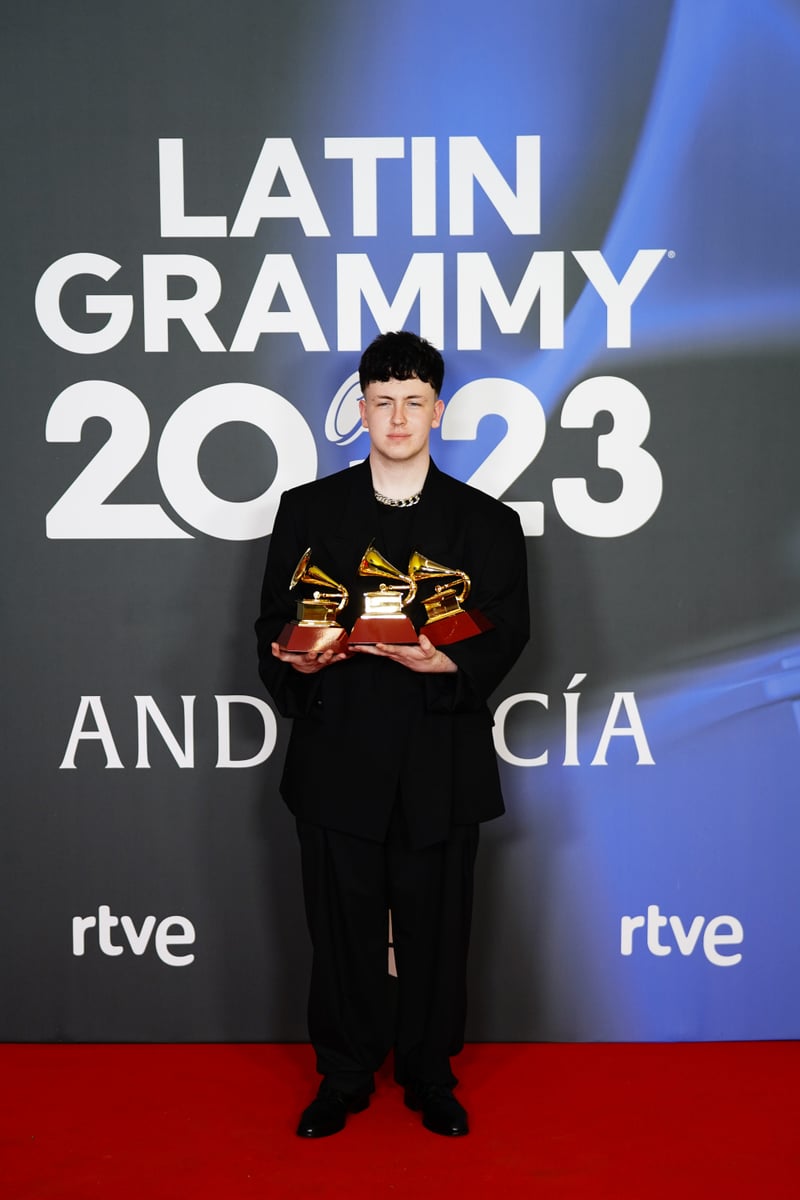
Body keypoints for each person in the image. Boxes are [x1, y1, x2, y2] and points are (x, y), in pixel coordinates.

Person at [255, 331, 529, 1138]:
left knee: (437, 928)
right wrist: (298, 660)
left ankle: (429, 1072)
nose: (399, 417)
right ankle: (342, 1074)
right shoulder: (307, 511)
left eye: (414, 402)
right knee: (337, 928)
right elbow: (273, 621)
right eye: (383, 402)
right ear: (362, 409)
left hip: (441, 756)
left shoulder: (487, 522)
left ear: (438, 411)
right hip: (337, 753)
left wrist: (447, 660)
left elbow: (510, 628)